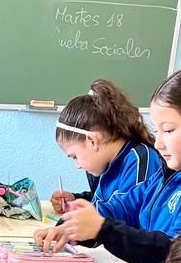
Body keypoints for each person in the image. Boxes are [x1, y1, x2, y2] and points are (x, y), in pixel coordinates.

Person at [36, 64, 181, 263]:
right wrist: (73, 226)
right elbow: (124, 208)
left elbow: (174, 252)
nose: (159, 143)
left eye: (168, 130)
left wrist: (102, 229)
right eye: (157, 130)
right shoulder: (167, 176)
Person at [47, 78, 164, 219]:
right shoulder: (106, 163)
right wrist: (76, 199)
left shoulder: (140, 160)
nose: (77, 165)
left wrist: (76, 222)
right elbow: (107, 201)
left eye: (74, 157)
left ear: (92, 141)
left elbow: (128, 215)